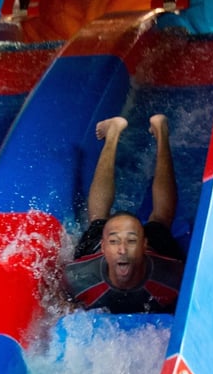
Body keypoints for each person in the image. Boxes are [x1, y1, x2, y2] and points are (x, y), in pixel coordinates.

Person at [62, 114, 185, 314]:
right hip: (96, 256)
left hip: (156, 256)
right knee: (97, 220)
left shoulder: (172, 274)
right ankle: (113, 134)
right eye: (113, 242)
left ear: (145, 245)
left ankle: (162, 133)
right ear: (103, 247)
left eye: (131, 241)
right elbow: (60, 304)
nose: (122, 249)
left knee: (162, 221)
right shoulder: (80, 276)